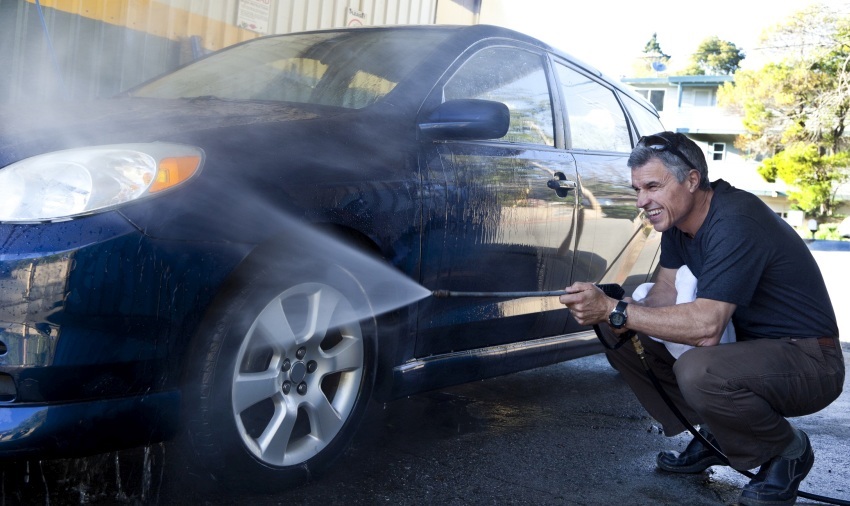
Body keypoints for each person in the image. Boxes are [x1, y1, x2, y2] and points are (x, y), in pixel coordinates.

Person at [559, 131, 844, 506]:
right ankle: (716, 434)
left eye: (652, 186)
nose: (642, 200)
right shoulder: (677, 224)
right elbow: (664, 295)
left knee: (699, 369)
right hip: (752, 352)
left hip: (810, 361)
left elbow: (707, 327)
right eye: (637, 189)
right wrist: (614, 305)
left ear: (692, 180)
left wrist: (617, 311)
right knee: (619, 330)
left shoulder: (735, 219)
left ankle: (787, 451)